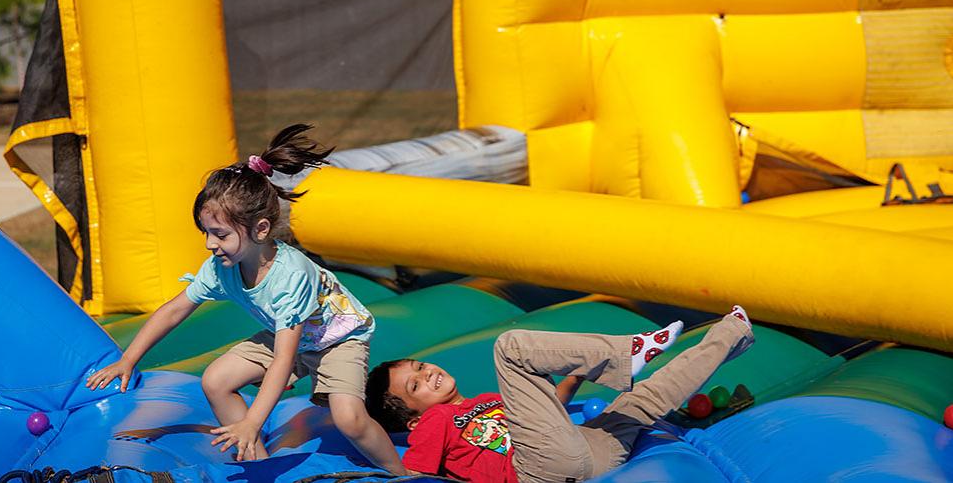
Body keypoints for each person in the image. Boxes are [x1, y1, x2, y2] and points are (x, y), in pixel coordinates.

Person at [86, 124, 405, 471]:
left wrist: (253, 420)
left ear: (261, 229)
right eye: (206, 233)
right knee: (216, 380)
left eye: (219, 234)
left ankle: (402, 474)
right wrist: (128, 359)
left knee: (349, 420)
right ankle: (260, 465)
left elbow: (283, 358)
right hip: (289, 335)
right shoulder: (222, 266)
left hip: (336, 338)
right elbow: (176, 309)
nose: (210, 243)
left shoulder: (291, 275)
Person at [366, 306, 754, 483]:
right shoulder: (432, 423)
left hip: (591, 452)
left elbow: (550, 413)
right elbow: (414, 472)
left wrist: (579, 373)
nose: (428, 373)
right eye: (415, 385)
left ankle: (730, 334)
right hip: (535, 470)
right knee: (510, 347)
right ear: (413, 417)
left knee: (640, 401)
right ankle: (624, 353)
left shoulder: (483, 400)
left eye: (421, 366)